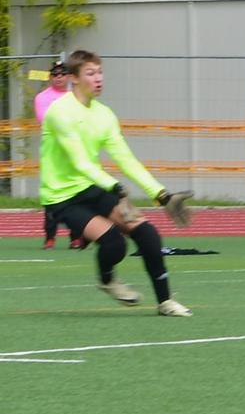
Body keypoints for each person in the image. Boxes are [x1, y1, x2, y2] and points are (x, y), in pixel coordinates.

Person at [41, 50, 193, 317]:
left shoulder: (104, 115)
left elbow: (126, 159)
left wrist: (161, 194)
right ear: (73, 79)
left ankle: (165, 302)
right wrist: (114, 186)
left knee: (147, 233)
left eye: (100, 72)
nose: (98, 78)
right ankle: (107, 279)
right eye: (90, 73)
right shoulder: (60, 112)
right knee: (114, 243)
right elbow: (80, 162)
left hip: (92, 187)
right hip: (62, 196)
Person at [35, 60, 84, 250]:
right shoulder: (42, 97)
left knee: (76, 194)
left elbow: (81, 121)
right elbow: (45, 120)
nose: (59, 77)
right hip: (52, 154)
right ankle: (50, 236)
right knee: (51, 196)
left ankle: (76, 236)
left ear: (68, 77)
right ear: (50, 77)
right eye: (55, 74)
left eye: (62, 74)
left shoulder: (75, 98)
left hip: (73, 152)